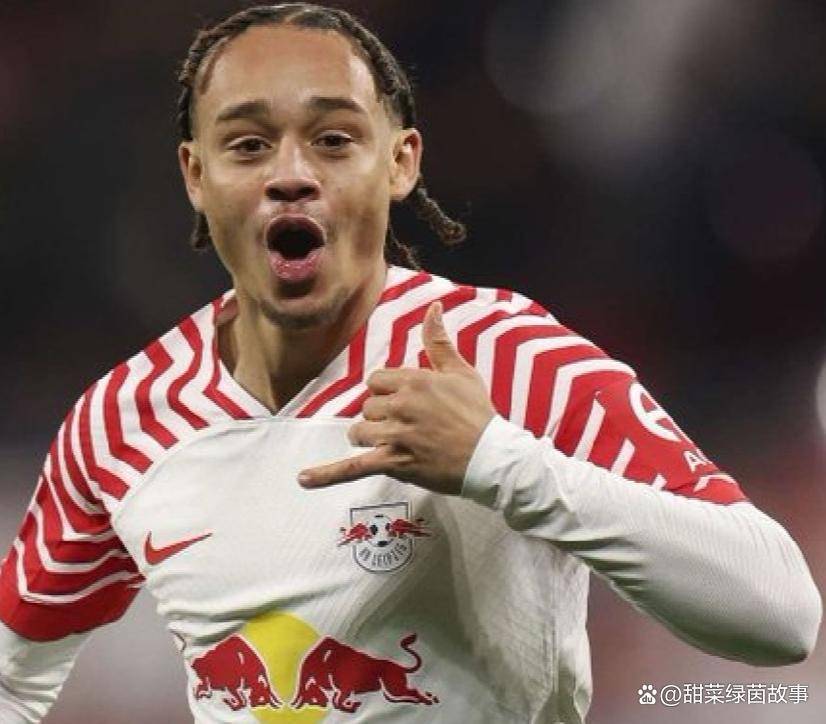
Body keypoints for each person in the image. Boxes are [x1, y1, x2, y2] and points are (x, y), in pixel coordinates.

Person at [0, 3, 820, 722]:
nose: (291, 176)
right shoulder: (121, 422)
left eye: (333, 140)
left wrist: (498, 463)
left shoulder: (504, 357)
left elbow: (781, 614)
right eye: (248, 145)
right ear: (196, 175)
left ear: (400, 163)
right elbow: (12, 679)